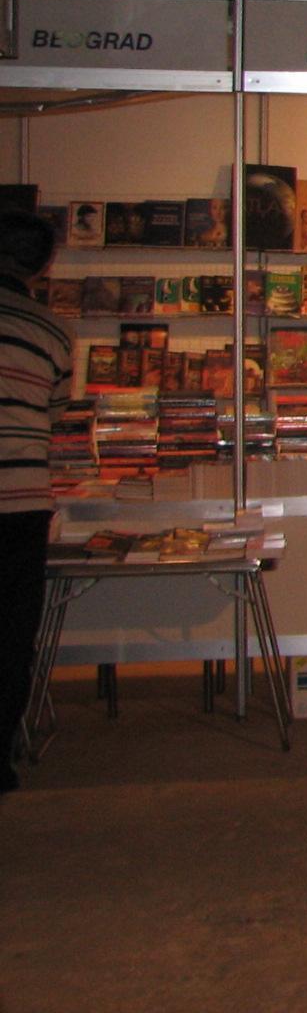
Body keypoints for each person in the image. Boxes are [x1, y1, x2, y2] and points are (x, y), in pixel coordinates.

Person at [0, 213, 72, 794]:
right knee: (12, 630)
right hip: (22, 499)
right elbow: (55, 410)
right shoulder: (52, 330)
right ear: (43, 267)